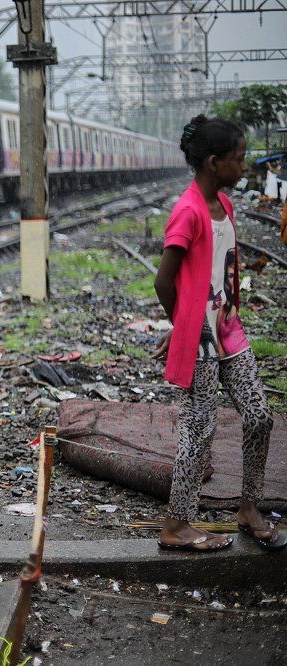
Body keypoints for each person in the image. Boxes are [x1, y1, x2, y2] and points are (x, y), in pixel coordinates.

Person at [153, 114, 281, 552]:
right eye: (238, 159)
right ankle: (176, 526)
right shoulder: (186, 212)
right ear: (213, 163)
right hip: (202, 342)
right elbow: (163, 282)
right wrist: (183, 327)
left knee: (260, 416)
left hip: (227, 331)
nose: (244, 166)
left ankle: (248, 507)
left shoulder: (224, 206)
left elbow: (220, 271)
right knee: (200, 427)